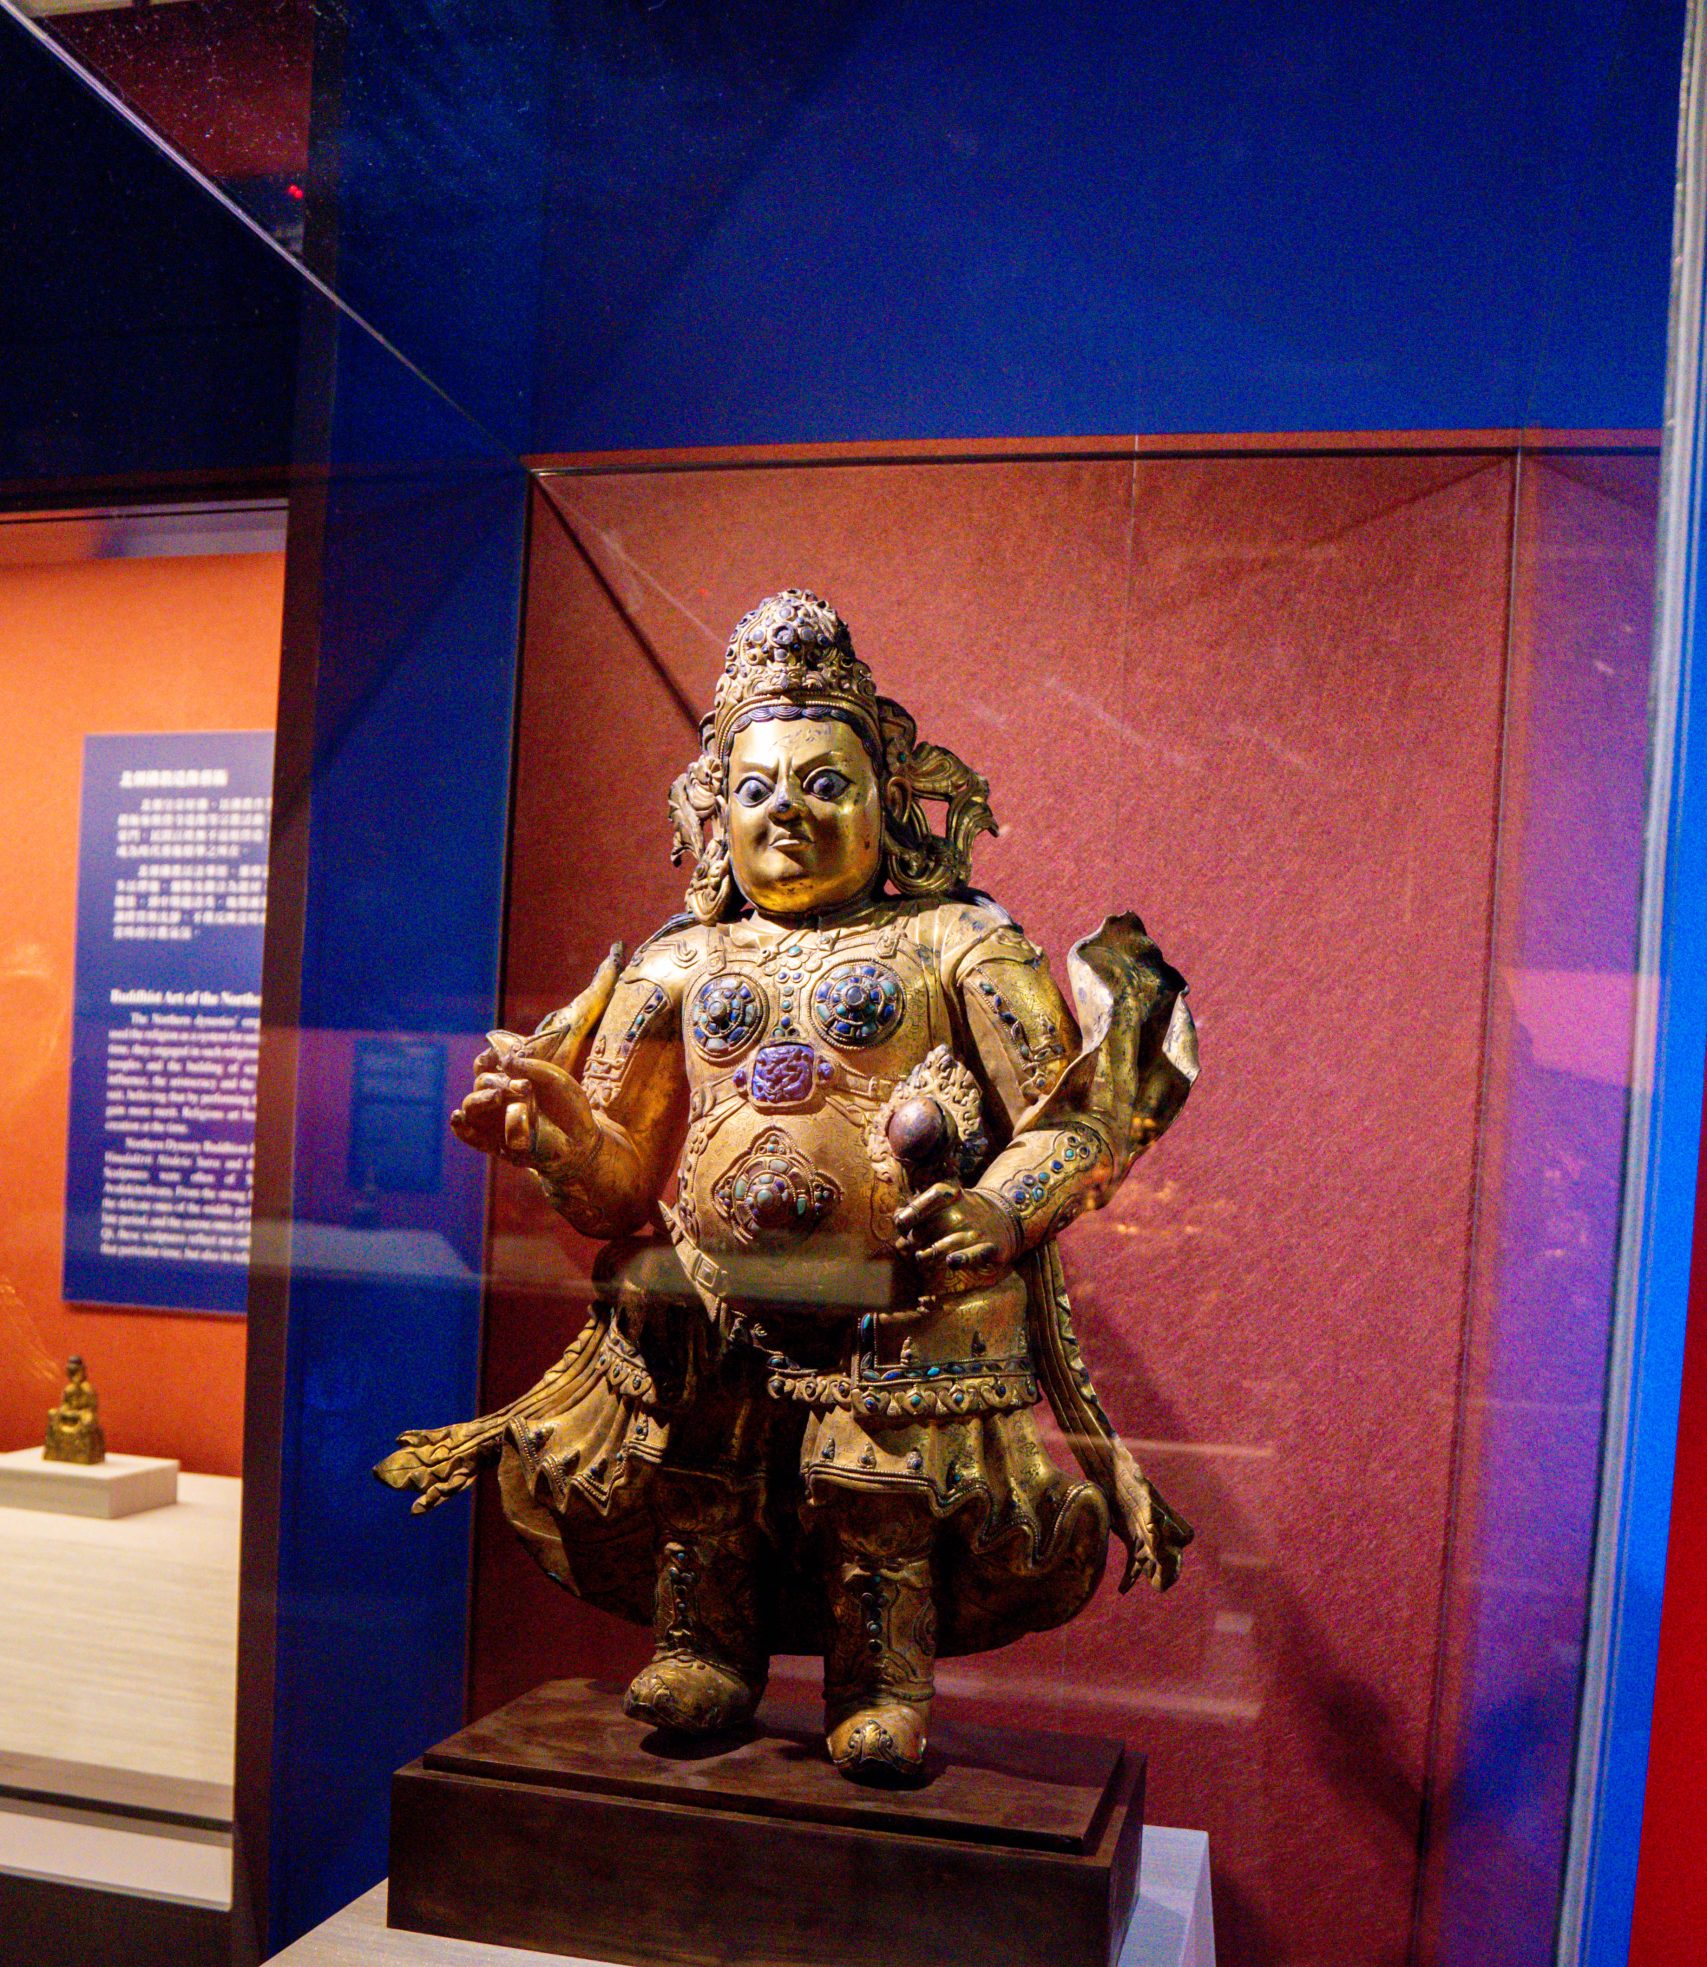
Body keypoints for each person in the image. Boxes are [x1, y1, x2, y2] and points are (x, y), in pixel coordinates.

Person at [379, 590, 1198, 1780]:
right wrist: (559, 1138)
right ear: (716, 812)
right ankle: (704, 1647)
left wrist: (996, 1209)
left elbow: (1075, 1116)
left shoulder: (956, 942)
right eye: (757, 787)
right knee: (699, 1474)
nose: (788, 812)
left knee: (876, 1492)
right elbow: (620, 1190)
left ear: (888, 802)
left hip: (897, 1300)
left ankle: (882, 1680)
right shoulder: (677, 962)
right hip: (713, 1298)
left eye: (825, 784)